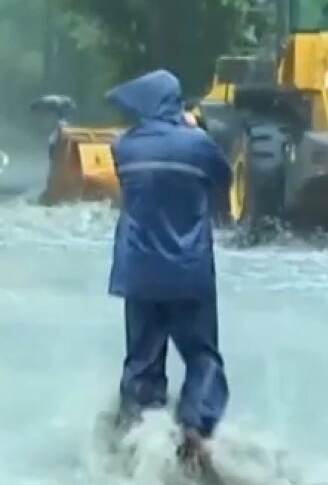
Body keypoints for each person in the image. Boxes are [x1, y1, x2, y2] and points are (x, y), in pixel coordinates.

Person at [105, 69, 232, 470]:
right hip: (188, 272)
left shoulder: (125, 147)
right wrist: (197, 130)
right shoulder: (198, 145)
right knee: (202, 357)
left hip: (138, 272)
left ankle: (134, 442)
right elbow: (222, 180)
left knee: (142, 360)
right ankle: (195, 427)